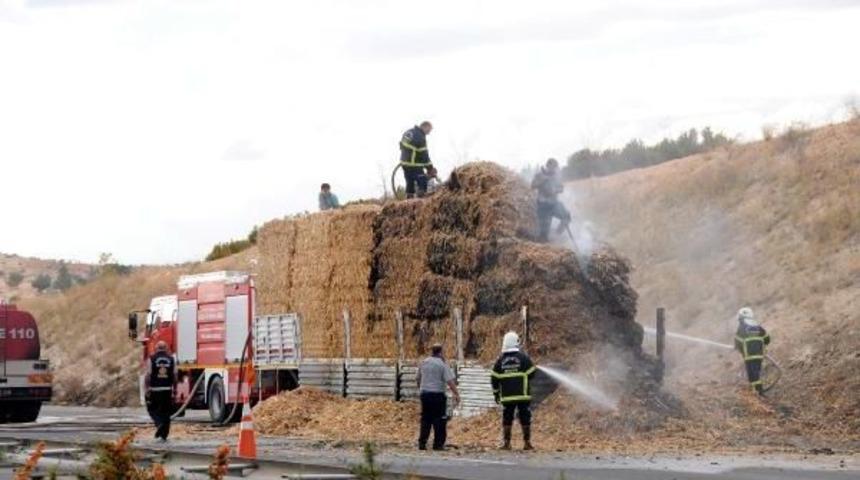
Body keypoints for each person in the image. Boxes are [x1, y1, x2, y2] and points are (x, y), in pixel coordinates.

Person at [491, 331, 536, 451]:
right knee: (525, 417)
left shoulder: (500, 361)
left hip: (507, 396)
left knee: (507, 418)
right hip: (523, 395)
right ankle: (527, 443)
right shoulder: (523, 358)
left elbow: (494, 378)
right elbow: (532, 373)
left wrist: (496, 394)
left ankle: (507, 443)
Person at [416, 343, 460, 451]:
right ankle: (438, 444)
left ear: (432, 351)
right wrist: (456, 394)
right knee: (439, 420)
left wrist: (421, 389)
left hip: (425, 395)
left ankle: (422, 443)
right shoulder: (442, 364)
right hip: (437, 396)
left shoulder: (424, 362)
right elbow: (450, 381)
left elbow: (417, 378)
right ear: (441, 352)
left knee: (425, 419)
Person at [531, 158, 571, 242]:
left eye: (555, 167)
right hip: (543, 206)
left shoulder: (556, 176)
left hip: (554, 204)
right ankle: (544, 239)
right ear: (547, 166)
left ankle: (556, 235)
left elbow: (561, 188)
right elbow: (532, 186)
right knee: (544, 235)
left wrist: (555, 190)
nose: (554, 169)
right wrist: (542, 181)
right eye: (552, 167)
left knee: (566, 217)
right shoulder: (539, 175)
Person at [734, 307, 771, 395]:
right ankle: (756, 391)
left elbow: (737, 340)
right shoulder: (757, 326)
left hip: (749, 355)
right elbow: (767, 339)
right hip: (759, 355)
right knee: (756, 372)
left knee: (752, 374)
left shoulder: (742, 327)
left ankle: (758, 392)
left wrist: (737, 347)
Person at [146, 340, 177, 442]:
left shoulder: (152, 359)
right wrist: (175, 389)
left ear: (156, 348)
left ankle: (159, 424)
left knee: (152, 409)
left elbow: (149, 375)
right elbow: (175, 375)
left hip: (155, 389)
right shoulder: (171, 359)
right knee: (166, 412)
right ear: (166, 348)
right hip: (167, 389)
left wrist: (147, 388)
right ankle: (164, 435)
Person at [399, 121, 433, 198]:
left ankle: (409, 201)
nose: (428, 133)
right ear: (425, 127)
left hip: (404, 164)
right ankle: (421, 201)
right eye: (429, 130)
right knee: (422, 183)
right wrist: (430, 168)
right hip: (414, 166)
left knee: (409, 183)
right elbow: (424, 155)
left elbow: (402, 146)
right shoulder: (420, 136)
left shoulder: (408, 132)